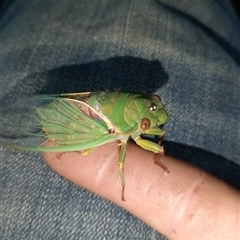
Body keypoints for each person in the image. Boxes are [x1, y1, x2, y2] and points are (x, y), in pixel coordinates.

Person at [1, 0, 240, 239]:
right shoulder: (124, 133)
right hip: (80, 121)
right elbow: (121, 162)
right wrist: (125, 183)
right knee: (85, 152)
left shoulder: (142, 104)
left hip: (91, 102)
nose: (150, 125)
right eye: (145, 124)